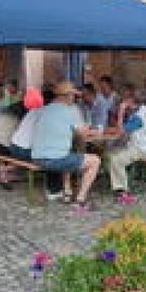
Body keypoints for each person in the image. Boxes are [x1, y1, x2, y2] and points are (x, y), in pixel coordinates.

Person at [30, 81, 101, 212]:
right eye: (74, 96)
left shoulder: (45, 108)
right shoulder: (71, 110)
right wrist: (98, 131)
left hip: (36, 157)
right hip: (54, 159)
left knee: (69, 153)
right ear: (67, 96)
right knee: (95, 161)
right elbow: (84, 134)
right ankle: (80, 200)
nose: (75, 98)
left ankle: (66, 191)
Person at [105, 95, 146, 204]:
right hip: (145, 146)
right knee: (110, 151)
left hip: (143, 149)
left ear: (131, 103)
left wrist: (121, 112)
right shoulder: (145, 110)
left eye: (125, 103)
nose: (122, 105)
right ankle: (115, 180)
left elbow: (121, 131)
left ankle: (123, 191)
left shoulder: (139, 116)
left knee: (116, 159)